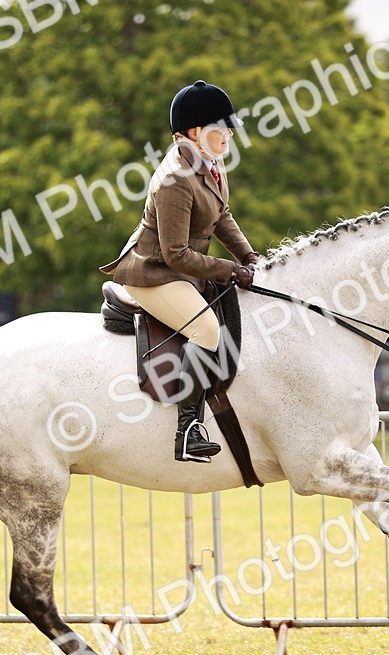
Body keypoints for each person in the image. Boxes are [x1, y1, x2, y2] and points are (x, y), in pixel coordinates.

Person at [100, 80, 259, 463]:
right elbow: (174, 254)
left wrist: (251, 257)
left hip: (182, 269)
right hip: (153, 271)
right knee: (205, 329)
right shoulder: (174, 180)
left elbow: (222, 217)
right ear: (188, 134)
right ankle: (188, 430)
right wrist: (227, 269)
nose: (229, 132)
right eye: (219, 126)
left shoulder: (211, 163)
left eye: (228, 125)